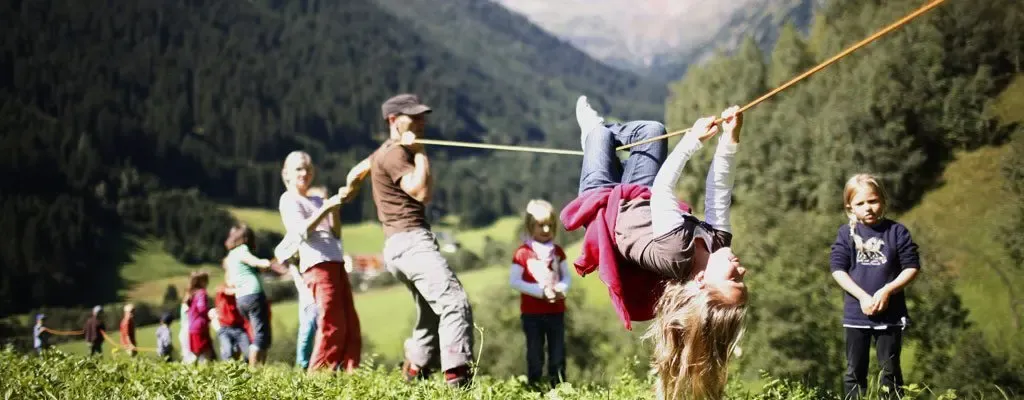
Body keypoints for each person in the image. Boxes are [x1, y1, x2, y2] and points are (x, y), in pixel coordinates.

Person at [559, 96, 746, 400]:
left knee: (599, 135)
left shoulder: (676, 253)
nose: (742, 269)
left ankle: (594, 140)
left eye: (734, 278)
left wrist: (692, 140)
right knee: (652, 130)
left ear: (701, 281)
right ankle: (605, 148)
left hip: (605, 203)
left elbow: (663, 189)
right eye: (742, 277)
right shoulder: (718, 242)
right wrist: (729, 139)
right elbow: (719, 193)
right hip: (639, 196)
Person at [345, 93, 475, 387]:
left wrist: (349, 188)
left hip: (396, 248)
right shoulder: (397, 154)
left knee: (430, 311)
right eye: (413, 117)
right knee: (455, 302)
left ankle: (415, 370)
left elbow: (358, 170)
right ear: (393, 120)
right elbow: (421, 192)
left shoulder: (384, 151)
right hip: (412, 243)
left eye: (422, 116)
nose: (421, 121)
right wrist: (420, 152)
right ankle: (458, 379)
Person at [830, 174, 921, 400]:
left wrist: (888, 290)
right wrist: (862, 297)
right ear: (850, 207)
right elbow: (838, 270)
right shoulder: (846, 234)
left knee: (890, 372)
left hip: (890, 315)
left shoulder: (897, 232)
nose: (868, 208)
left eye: (873, 201)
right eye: (860, 203)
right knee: (854, 372)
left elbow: (912, 267)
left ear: (883, 200)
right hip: (856, 315)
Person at [279, 151, 361, 373]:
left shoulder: (316, 200)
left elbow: (336, 234)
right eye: (298, 169)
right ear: (286, 174)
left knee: (350, 323)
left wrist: (335, 210)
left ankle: (351, 374)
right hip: (317, 265)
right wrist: (326, 208)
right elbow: (301, 232)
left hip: (335, 261)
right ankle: (318, 379)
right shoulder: (288, 200)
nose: (304, 173)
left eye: (308, 168)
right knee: (331, 323)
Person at [509, 199, 571, 387]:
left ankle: (558, 387)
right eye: (541, 225)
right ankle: (535, 387)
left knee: (557, 353)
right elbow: (515, 281)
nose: (546, 230)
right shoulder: (522, 253)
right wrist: (540, 292)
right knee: (535, 354)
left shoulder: (557, 252)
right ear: (530, 226)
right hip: (532, 313)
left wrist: (560, 288)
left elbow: (566, 276)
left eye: (550, 226)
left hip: (556, 312)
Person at [223, 223, 275, 365]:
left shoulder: (230, 256)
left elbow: (231, 282)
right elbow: (252, 260)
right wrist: (264, 262)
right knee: (261, 335)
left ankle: (260, 368)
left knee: (259, 333)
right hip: (254, 294)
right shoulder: (242, 250)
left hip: (241, 298)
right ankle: (254, 369)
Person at [288, 263, 318, 370]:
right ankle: (303, 366)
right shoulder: (294, 264)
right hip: (308, 301)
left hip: (314, 300)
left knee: (315, 334)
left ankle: (318, 365)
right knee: (306, 334)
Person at [214, 284, 252, 363]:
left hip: (239, 328)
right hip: (225, 329)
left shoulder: (239, 297)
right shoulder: (222, 289)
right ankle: (227, 367)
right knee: (228, 351)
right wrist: (242, 290)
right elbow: (227, 291)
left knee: (249, 353)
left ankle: (246, 367)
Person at [187, 271, 215, 362]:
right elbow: (202, 308)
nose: (208, 283)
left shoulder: (192, 293)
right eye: (207, 280)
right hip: (200, 327)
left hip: (192, 327)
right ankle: (208, 370)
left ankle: (188, 368)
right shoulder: (202, 293)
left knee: (197, 353)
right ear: (202, 281)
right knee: (208, 353)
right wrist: (210, 313)